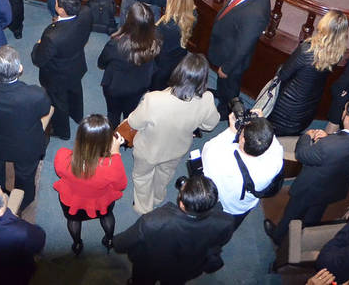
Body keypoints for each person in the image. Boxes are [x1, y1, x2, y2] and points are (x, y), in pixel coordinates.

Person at [274, 97, 349, 242]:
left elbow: (302, 154)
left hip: (311, 187)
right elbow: (348, 142)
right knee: (316, 213)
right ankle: (305, 236)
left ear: (348, 119)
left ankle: (278, 237)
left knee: (292, 213)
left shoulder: (328, 146)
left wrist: (306, 137)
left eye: (344, 110)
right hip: (337, 185)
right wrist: (331, 137)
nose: (342, 112)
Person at [126, 54, 220, 213]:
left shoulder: (153, 99)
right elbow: (209, 125)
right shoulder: (207, 99)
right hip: (177, 149)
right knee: (165, 174)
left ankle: (144, 207)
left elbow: (134, 123)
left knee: (142, 176)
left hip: (148, 150)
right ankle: (158, 197)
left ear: (179, 72)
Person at [114, 173, 237, 285]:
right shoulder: (226, 221)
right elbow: (218, 243)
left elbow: (122, 243)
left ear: (182, 203)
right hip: (186, 269)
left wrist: (114, 242)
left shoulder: (154, 221)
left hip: (151, 265)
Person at [0, 46, 51, 207]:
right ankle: (23, 202)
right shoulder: (36, 95)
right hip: (25, 146)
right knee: (25, 176)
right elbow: (44, 111)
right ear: (20, 69)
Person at [52, 113, 127, 254]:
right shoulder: (112, 165)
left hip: (72, 201)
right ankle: (109, 240)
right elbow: (121, 186)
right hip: (101, 202)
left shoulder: (63, 156)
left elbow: (60, 172)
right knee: (107, 216)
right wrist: (116, 154)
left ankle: (77, 244)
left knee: (74, 220)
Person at [269, 10, 349, 136]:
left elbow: (283, 75)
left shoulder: (307, 49)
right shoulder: (337, 54)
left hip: (284, 110)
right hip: (307, 111)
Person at [207, 0, 271, 118]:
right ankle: (221, 93)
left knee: (230, 86)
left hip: (232, 60)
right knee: (223, 84)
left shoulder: (256, 13)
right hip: (226, 49)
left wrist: (227, 68)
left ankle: (225, 111)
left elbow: (244, 46)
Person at [32, 0, 94, 139]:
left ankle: (62, 132)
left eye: (56, 0)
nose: (55, 1)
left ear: (61, 10)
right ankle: (77, 115)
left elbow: (38, 59)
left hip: (57, 76)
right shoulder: (86, 12)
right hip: (76, 65)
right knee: (75, 90)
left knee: (58, 103)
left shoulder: (52, 36)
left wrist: (38, 44)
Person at [202, 113, 284, 224]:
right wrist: (262, 125)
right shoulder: (276, 160)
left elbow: (208, 148)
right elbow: (272, 141)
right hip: (244, 207)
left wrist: (231, 130)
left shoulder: (218, 155)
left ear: (243, 140)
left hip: (222, 204)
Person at [98, 1, 162, 127]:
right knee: (130, 116)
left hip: (114, 87)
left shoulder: (115, 44)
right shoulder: (156, 41)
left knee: (113, 114)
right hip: (138, 87)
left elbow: (101, 63)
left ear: (129, 22)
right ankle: (126, 135)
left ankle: (113, 135)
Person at [151, 0, 195, 90]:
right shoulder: (193, 14)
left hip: (162, 64)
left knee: (157, 89)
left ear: (173, 3)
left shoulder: (165, 26)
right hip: (179, 58)